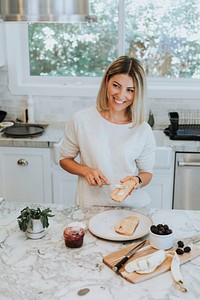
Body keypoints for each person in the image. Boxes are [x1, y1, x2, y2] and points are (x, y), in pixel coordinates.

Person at [60, 56, 156, 208]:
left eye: (130, 90)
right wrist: (86, 171)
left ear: (137, 93)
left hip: (129, 208)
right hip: (90, 207)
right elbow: (65, 159)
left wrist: (136, 181)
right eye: (116, 86)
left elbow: (147, 174)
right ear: (107, 82)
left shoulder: (143, 130)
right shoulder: (81, 120)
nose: (121, 95)